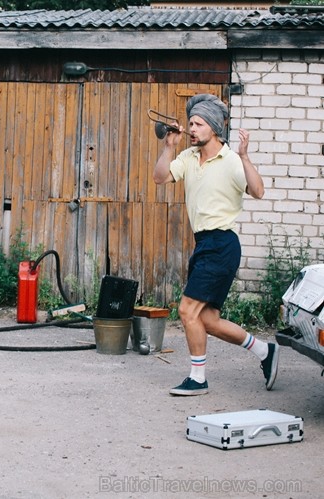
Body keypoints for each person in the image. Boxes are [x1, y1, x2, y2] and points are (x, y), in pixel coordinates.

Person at [152, 93, 275, 396]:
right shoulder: (189, 158)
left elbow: (258, 191)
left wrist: (245, 157)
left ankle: (198, 378)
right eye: (190, 123)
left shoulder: (231, 160)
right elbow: (160, 177)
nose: (192, 129)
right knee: (207, 319)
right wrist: (169, 147)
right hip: (203, 244)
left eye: (198, 124)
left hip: (222, 243)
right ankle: (264, 351)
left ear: (214, 127)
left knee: (187, 310)